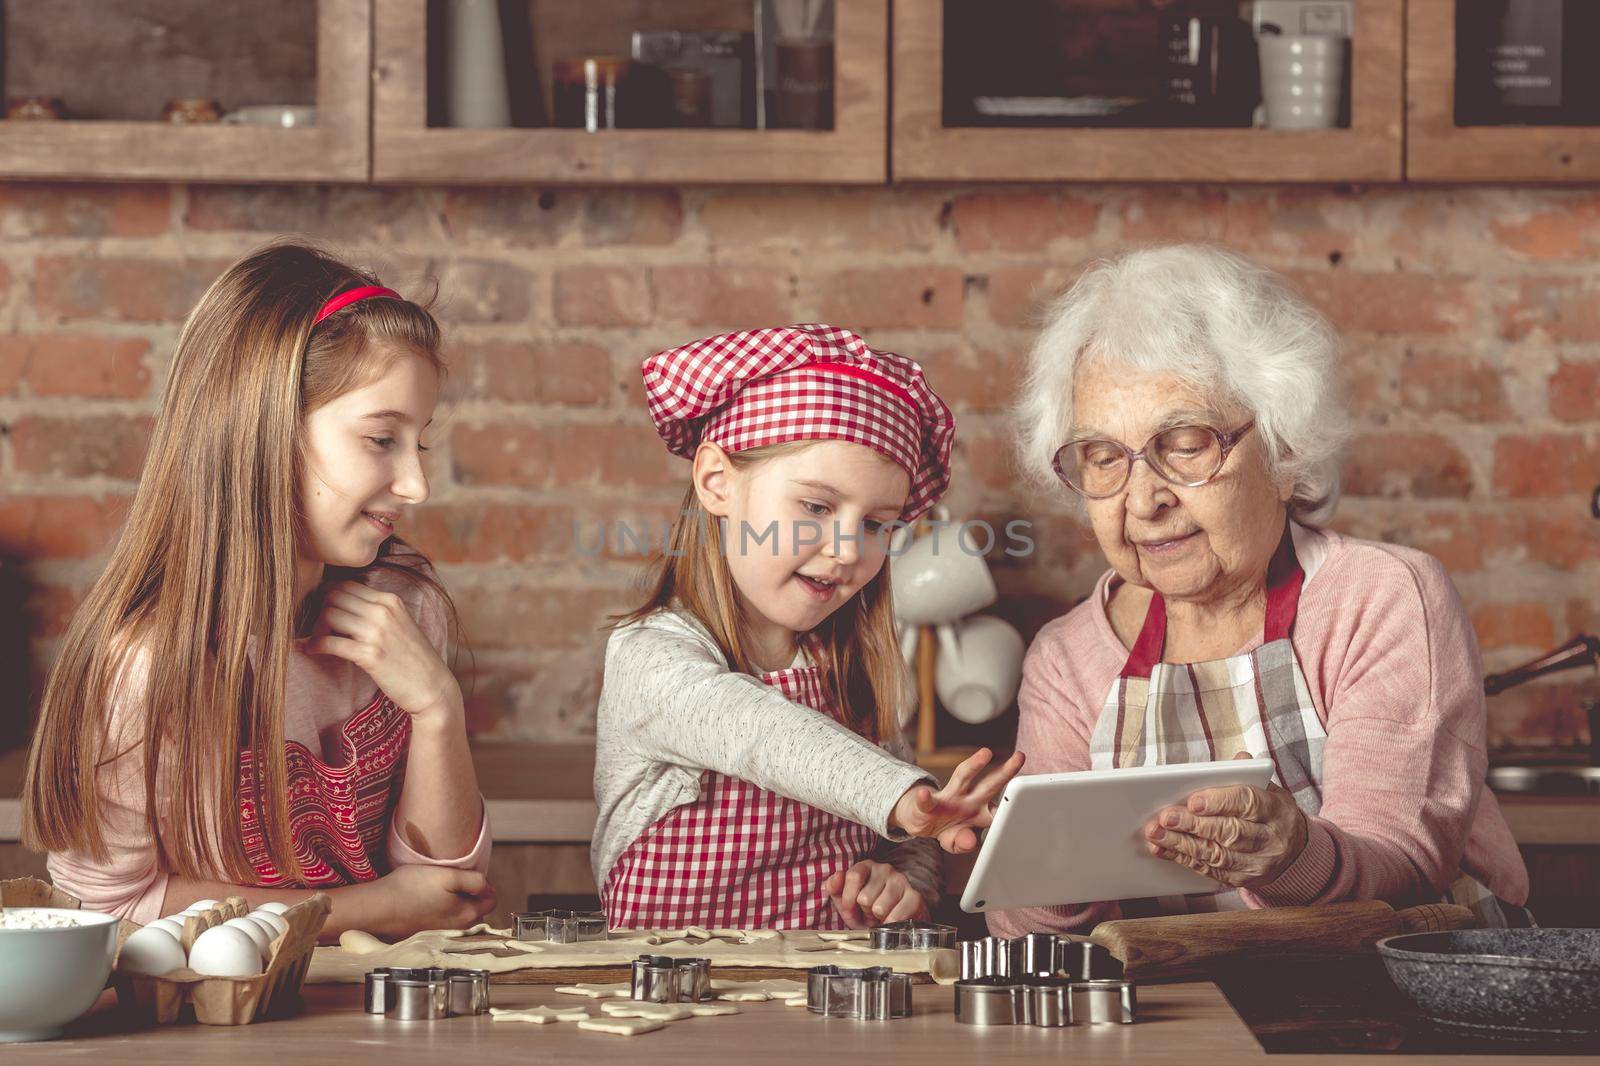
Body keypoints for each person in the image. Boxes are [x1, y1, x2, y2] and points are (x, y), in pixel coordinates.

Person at [993, 245, 1529, 935]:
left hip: (1406, 1004)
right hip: (1185, 1020)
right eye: (1104, 459)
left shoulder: (1381, 599)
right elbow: (1029, 934)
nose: (1143, 498)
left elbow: (1403, 859)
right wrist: (1035, 867)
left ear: (1283, 453)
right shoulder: (1066, 661)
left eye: (1183, 444)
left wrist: (1291, 856)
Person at [22, 242, 495, 939]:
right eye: (379, 440)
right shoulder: (144, 668)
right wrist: (370, 907)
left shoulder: (406, 611)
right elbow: (107, 913)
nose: (416, 486)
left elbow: (451, 895)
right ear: (262, 432)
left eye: (417, 443)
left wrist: (436, 707)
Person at [593, 324, 1024, 929]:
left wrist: (901, 881)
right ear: (717, 481)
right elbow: (756, 730)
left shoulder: (854, 672)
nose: (848, 549)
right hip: (676, 1002)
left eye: (878, 524)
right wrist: (904, 797)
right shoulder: (650, 658)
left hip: (833, 1003)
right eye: (817, 507)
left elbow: (913, 844)